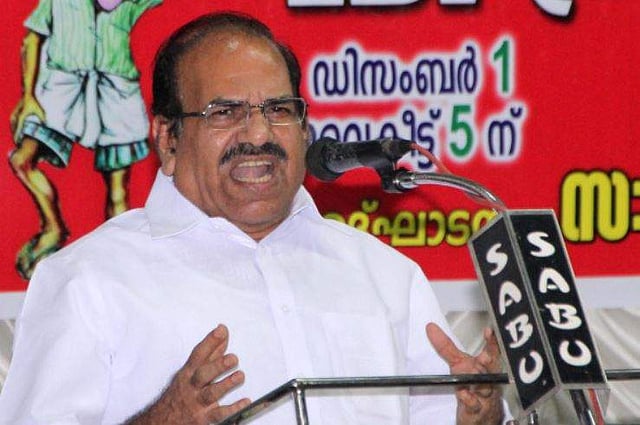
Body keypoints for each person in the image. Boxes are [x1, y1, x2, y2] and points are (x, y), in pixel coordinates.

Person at [0, 12, 506, 425]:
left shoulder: (386, 275)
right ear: (168, 139)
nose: (259, 134)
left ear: (304, 128)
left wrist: (478, 417)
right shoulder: (88, 281)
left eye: (279, 110)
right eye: (224, 112)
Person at [8, 0, 161, 280]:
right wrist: (28, 97)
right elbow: (32, 39)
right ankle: (53, 227)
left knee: (118, 196)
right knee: (23, 160)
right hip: (62, 86)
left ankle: (118, 269)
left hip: (115, 91)